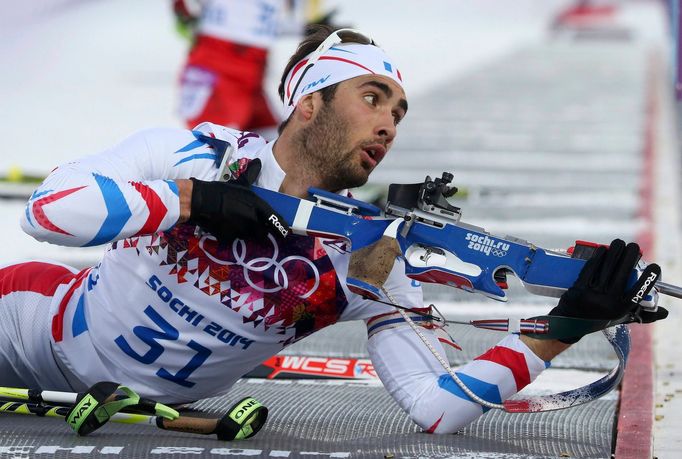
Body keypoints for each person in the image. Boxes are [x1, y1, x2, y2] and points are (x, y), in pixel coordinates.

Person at [0, 25, 667, 434]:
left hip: (154, 400)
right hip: (34, 327)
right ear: (309, 103)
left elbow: (436, 406)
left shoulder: (371, 253)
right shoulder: (195, 157)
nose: (388, 124)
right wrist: (193, 199)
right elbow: (48, 212)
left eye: (399, 113)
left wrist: (562, 328)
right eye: (372, 98)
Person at [174, 0, 335, 139]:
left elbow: (263, 20)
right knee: (210, 156)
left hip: (252, 75)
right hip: (218, 68)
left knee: (278, 153)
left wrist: (305, 29)